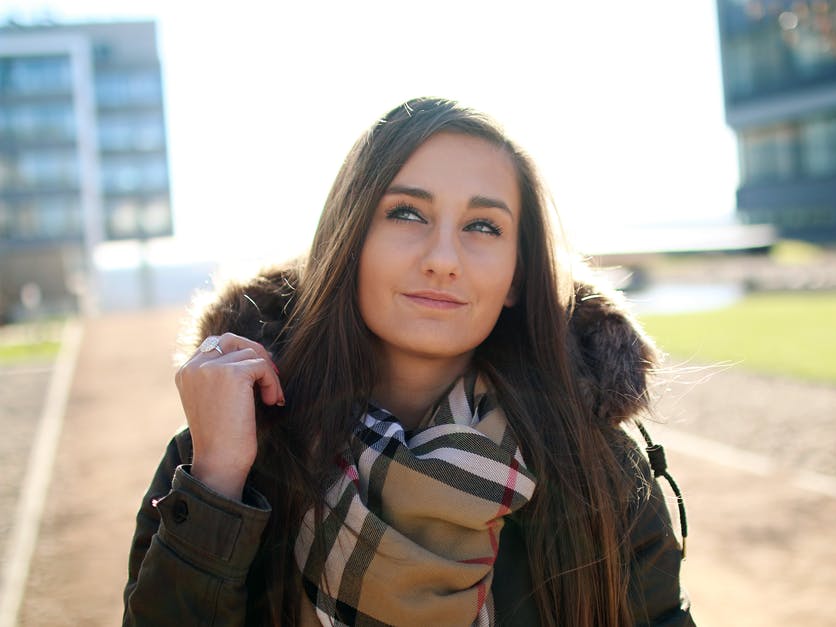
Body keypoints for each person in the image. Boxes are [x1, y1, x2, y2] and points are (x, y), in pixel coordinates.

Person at [123, 97, 694, 626]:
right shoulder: (226, 454)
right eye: (406, 214)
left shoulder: (595, 468)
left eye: (482, 226)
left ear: (517, 276)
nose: (443, 259)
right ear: (348, 241)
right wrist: (218, 484)